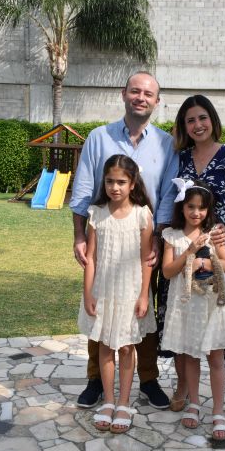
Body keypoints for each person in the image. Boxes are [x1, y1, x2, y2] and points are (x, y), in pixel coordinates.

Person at [70, 71, 178, 409]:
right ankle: (95, 380)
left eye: (148, 93)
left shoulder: (166, 143)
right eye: (135, 91)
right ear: (124, 94)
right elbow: (84, 190)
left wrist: (158, 242)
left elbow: (166, 197)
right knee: (98, 308)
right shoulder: (98, 138)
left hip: (146, 243)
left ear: (156, 102)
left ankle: (147, 379)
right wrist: (78, 236)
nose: (141, 97)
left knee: (142, 309)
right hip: (103, 240)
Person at [157, 94, 225, 428]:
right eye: (190, 120)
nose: (198, 125)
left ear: (212, 119)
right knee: (184, 316)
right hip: (183, 243)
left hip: (219, 247)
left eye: (202, 118)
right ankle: (185, 390)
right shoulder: (180, 156)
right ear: (183, 126)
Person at [77, 154, 155, 433]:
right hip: (103, 291)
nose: (115, 187)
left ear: (133, 183)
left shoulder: (142, 214)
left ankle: (124, 402)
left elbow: (148, 259)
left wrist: (144, 295)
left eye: (122, 182)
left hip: (130, 292)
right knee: (105, 347)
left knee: (126, 347)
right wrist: (88, 293)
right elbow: (92, 258)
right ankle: (108, 401)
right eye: (110, 181)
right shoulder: (96, 214)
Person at [160, 178, 225, 441]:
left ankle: (217, 411)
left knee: (216, 358)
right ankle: (194, 403)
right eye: (191, 207)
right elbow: (168, 271)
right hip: (185, 305)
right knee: (190, 356)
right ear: (182, 207)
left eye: (201, 208)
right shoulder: (171, 235)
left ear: (208, 210)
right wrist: (189, 254)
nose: (196, 213)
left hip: (211, 303)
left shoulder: (215, 233)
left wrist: (206, 262)